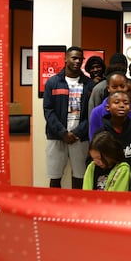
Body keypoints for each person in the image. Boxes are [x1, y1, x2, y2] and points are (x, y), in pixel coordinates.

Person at [43, 46, 94, 189]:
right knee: (55, 177)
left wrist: (77, 132)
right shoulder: (53, 82)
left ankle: (77, 208)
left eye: (80, 58)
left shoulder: (89, 84)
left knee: (80, 176)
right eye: (74, 58)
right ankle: (54, 208)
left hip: (80, 137)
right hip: (57, 136)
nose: (77, 61)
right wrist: (63, 133)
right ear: (65, 59)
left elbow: (91, 113)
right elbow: (48, 110)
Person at [89, 72, 131, 139]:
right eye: (114, 87)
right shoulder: (97, 112)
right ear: (108, 88)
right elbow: (93, 140)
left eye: (122, 86)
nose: (119, 89)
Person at [93, 90, 131, 160]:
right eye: (116, 102)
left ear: (130, 108)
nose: (122, 105)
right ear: (108, 107)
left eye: (125, 103)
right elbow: (93, 159)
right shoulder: (101, 133)